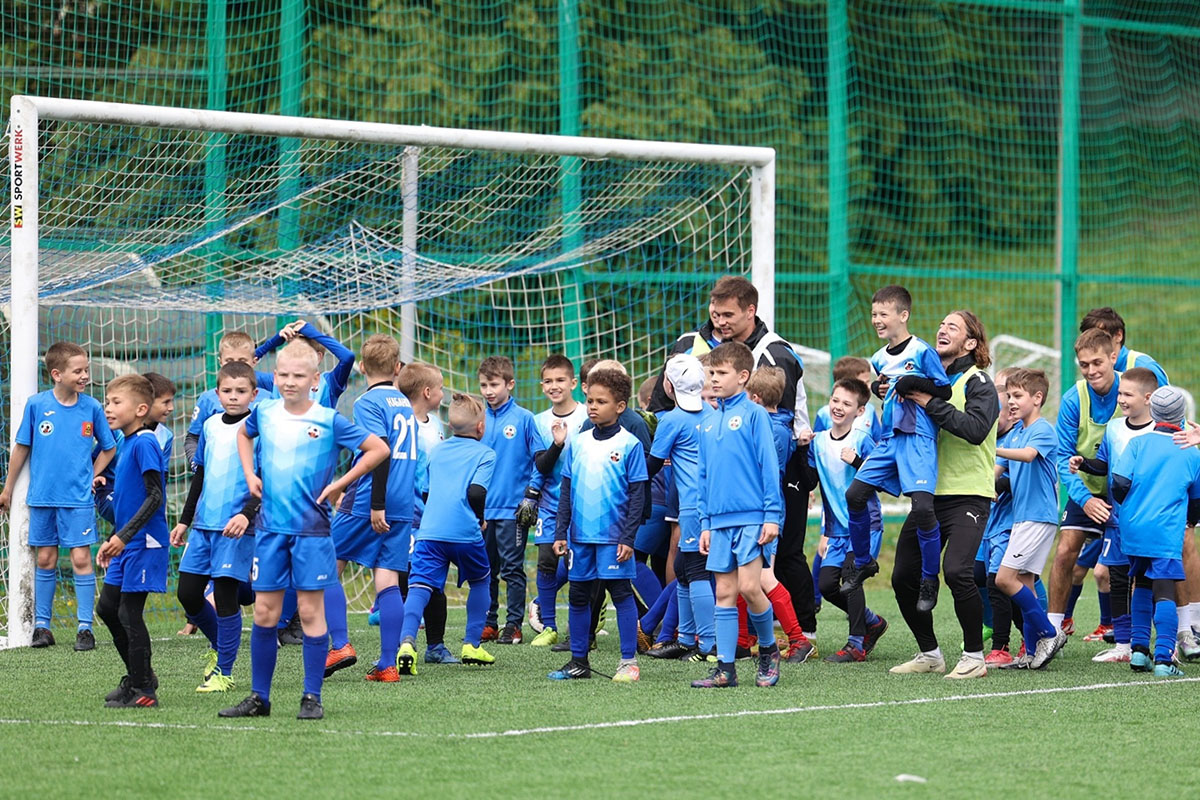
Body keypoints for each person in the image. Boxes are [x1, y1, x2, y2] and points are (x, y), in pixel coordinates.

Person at [219, 341, 388, 721]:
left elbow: (378, 449)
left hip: (313, 533)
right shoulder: (263, 412)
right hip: (270, 532)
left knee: (311, 613)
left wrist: (340, 482)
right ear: (274, 376)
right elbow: (243, 436)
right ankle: (259, 698)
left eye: (299, 376)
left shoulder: (328, 419)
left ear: (315, 379)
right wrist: (250, 474)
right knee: (264, 612)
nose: (290, 382)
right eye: (283, 375)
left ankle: (312, 697)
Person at [647, 276, 816, 634]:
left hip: (771, 480)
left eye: (728, 315)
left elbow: (776, 427)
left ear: (750, 311)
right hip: (708, 489)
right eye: (715, 313)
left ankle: (799, 633)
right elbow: (661, 404)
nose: (719, 321)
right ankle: (715, 642)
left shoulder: (774, 354)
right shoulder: (690, 345)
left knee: (773, 564)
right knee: (701, 568)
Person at [889, 309, 998, 678]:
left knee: (956, 572)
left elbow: (976, 429)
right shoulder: (928, 378)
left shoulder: (978, 380)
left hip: (969, 494)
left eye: (953, 326)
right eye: (940, 324)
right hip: (929, 495)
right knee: (903, 575)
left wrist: (929, 403)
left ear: (970, 342)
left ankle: (974, 657)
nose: (941, 329)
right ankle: (930, 653)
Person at [0, 341, 116, 651]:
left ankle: (84, 628)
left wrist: (91, 475)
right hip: (42, 498)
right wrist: (8, 487)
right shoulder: (38, 405)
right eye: (78, 371)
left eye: (86, 370)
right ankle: (42, 627)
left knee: (80, 558)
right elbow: (22, 447)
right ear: (57, 374)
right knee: (46, 559)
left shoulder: (91, 407)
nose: (84, 376)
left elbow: (109, 447)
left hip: (77, 500)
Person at [842, 286, 952, 611]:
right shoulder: (877, 358)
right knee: (855, 495)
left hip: (917, 437)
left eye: (883, 314)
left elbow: (942, 390)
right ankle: (863, 561)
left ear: (903, 316)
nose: (877, 320)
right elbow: (887, 392)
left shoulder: (921, 351)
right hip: (890, 439)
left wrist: (913, 383)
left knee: (921, 510)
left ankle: (930, 579)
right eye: (874, 314)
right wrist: (878, 388)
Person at [325, 335, 417, 683]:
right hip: (403, 502)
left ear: (362, 367)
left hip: (370, 501)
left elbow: (379, 452)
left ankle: (340, 644)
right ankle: (387, 664)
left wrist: (375, 503)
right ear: (397, 368)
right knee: (387, 578)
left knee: (326, 565)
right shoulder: (404, 404)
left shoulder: (367, 402)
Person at [691, 342, 783, 689]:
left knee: (749, 587)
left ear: (743, 377)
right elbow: (703, 477)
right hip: (719, 523)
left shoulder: (754, 415)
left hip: (752, 519)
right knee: (724, 593)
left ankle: (769, 651)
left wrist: (771, 516)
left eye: (721, 373)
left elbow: (767, 466)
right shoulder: (708, 421)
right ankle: (726, 669)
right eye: (711, 373)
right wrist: (705, 523)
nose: (714, 379)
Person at [549, 367, 649, 682]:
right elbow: (566, 489)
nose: (592, 406)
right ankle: (579, 660)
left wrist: (628, 538)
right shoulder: (577, 443)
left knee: (620, 594)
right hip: (580, 538)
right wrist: (560, 531)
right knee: (579, 595)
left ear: (620, 406)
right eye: (590, 400)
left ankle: (628, 662)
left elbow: (637, 496)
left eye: (601, 401)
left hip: (613, 538)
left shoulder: (630, 444)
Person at [170, 361, 261, 692]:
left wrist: (247, 514)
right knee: (188, 594)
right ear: (217, 393)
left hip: (236, 527)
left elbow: (264, 477)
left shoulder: (257, 427)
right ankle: (222, 644)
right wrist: (184, 520)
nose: (233, 397)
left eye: (240, 391)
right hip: (203, 527)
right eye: (227, 391)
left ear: (253, 393)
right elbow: (201, 475)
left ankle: (223, 670)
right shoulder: (209, 425)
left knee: (225, 596)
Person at [397, 393, 498, 673]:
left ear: (451, 427)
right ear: (480, 428)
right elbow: (477, 491)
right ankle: (471, 645)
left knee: (419, 586)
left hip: (430, 531)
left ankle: (406, 642)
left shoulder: (437, 450)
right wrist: (479, 518)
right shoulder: (486, 454)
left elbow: (427, 491)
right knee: (481, 581)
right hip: (464, 530)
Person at [1068, 367, 1158, 664]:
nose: (1120, 399)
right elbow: (1104, 465)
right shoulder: (1114, 427)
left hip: (1150, 520)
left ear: (1148, 398)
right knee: (1116, 578)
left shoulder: (1160, 430)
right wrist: (1084, 463)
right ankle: (1123, 645)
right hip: (1118, 521)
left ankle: (1163, 640)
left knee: (1151, 581)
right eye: (1120, 393)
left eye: (1127, 394)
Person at [1113, 386, 1200, 677]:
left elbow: (1119, 484)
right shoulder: (1191, 452)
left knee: (1141, 583)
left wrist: (1132, 508)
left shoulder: (1138, 443)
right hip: (1165, 531)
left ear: (1155, 412)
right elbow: (1196, 499)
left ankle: (1139, 652)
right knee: (1165, 590)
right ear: (1181, 416)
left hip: (1133, 527)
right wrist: (1189, 520)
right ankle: (1163, 658)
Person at [95, 374, 168, 707]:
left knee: (128, 613)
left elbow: (155, 496)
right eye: (107, 402)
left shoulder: (145, 442)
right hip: (127, 542)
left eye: (115, 402)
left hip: (145, 541)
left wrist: (123, 537)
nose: (108, 408)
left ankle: (145, 691)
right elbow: (127, 501)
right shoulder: (127, 444)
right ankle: (139, 676)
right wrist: (114, 535)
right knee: (107, 608)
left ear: (140, 409)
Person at [803, 378, 889, 662]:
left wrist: (857, 462)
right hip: (837, 529)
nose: (839, 407)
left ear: (860, 411)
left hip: (866, 525)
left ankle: (856, 644)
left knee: (852, 579)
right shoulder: (819, 441)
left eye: (847, 404)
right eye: (835, 400)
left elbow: (882, 479)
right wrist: (800, 447)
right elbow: (811, 479)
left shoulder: (862, 440)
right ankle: (872, 622)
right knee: (827, 585)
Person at [1047, 328, 1122, 635]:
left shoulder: (1130, 390)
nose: (1090, 371)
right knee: (1066, 551)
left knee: (1135, 562)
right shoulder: (1073, 398)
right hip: (1086, 492)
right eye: (1084, 364)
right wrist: (1086, 500)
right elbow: (1064, 458)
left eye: (1097, 363)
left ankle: (1178, 628)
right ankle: (1051, 630)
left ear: (1114, 357)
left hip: (1127, 494)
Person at [992, 368, 1067, 670]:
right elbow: (996, 473)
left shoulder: (1042, 430)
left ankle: (1049, 633)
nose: (1010, 401)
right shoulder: (1013, 433)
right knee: (1025, 582)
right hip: (1023, 517)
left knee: (1003, 579)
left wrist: (992, 448)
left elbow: (1027, 455)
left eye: (1017, 396)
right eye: (1009, 396)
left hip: (1039, 517)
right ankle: (1031, 650)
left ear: (1037, 398)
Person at [644, 354, 717, 661]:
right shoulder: (713, 414)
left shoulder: (671, 420)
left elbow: (651, 466)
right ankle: (685, 639)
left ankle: (708, 644)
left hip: (691, 506)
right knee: (684, 569)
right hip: (713, 504)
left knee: (697, 571)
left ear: (668, 386)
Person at [745, 366, 815, 662]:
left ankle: (799, 639)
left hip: (764, 513)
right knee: (740, 576)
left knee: (764, 577)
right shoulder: (774, 424)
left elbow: (768, 475)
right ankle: (742, 639)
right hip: (753, 510)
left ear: (756, 398)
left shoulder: (772, 430)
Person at [518, 354, 588, 648]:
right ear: (542, 385)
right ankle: (549, 625)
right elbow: (542, 466)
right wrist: (557, 445)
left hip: (583, 503)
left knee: (580, 564)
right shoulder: (539, 422)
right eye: (548, 381)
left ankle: (585, 626)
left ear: (573, 383)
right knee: (547, 560)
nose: (554, 386)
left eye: (560, 380)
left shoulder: (587, 415)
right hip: (549, 504)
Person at [477, 355, 541, 645]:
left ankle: (513, 624)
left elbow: (540, 460)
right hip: (481, 510)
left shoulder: (524, 419)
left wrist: (531, 494)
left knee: (512, 568)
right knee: (484, 569)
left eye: (494, 384)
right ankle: (488, 622)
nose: (488, 391)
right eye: (483, 385)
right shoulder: (476, 416)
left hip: (513, 509)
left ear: (510, 384)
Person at [396, 361, 456, 663]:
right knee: (406, 579)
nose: (444, 393)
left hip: (434, 517)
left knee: (433, 581)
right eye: (442, 388)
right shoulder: (401, 423)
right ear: (428, 391)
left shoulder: (436, 424)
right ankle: (401, 640)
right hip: (406, 516)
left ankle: (435, 645)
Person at [184, 331, 277, 466]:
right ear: (220, 362)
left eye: (243, 361)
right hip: (218, 475)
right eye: (229, 361)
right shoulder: (208, 399)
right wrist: (197, 465)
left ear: (254, 361)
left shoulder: (268, 398)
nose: (236, 365)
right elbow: (193, 437)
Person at [982, 368, 1020, 666]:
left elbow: (1014, 480)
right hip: (986, 525)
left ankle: (1002, 645)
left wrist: (992, 484)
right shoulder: (985, 441)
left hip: (1009, 524)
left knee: (1001, 581)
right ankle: (1032, 632)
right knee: (979, 576)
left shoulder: (1016, 443)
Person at [253, 319, 357, 409]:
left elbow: (347, 357)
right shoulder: (279, 380)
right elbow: (239, 370)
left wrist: (314, 334)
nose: (294, 355)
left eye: (301, 352)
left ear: (318, 357)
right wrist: (273, 342)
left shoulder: (329, 383)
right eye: (291, 350)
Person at [1079, 307, 1169, 387]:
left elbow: (1166, 404)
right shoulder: (1090, 371)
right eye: (1089, 338)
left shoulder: (1145, 367)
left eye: (1101, 337)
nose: (1094, 343)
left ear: (1118, 335)